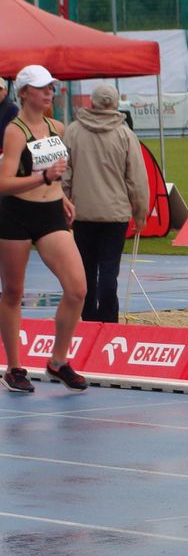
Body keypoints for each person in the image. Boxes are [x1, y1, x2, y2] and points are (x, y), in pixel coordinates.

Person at [0, 65, 88, 392]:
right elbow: (4, 182)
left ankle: (58, 361)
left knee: (77, 288)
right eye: (40, 87)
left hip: (50, 212)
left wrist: (61, 195)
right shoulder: (15, 131)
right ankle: (13, 367)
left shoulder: (57, 127)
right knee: (13, 292)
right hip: (16, 214)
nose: (48, 92)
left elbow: (57, 172)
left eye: (51, 86)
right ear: (24, 92)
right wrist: (43, 179)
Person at [62, 84, 149, 323]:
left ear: (92, 103)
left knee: (86, 269)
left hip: (83, 212)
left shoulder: (73, 131)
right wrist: (141, 212)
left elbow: (65, 173)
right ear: (113, 104)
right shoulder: (124, 134)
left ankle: (88, 316)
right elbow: (137, 178)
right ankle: (109, 317)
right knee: (109, 268)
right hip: (115, 214)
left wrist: (63, 203)